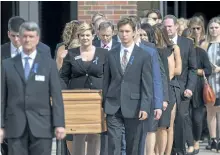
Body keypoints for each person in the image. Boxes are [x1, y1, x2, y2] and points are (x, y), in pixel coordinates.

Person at [0, 21, 65, 155]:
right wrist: (0, 125)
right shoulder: (7, 65)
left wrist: (59, 124)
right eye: (24, 36)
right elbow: (1, 98)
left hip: (42, 126)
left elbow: (57, 96)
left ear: (37, 39)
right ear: (20, 38)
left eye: (31, 36)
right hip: (15, 126)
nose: (27, 40)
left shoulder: (49, 65)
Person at [103, 17, 153, 155]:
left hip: (135, 106)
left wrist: (145, 106)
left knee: (133, 145)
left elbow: (147, 84)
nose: (124, 35)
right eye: (121, 31)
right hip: (113, 105)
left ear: (134, 32)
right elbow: (106, 80)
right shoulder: (111, 54)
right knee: (114, 144)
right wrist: (103, 105)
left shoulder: (144, 55)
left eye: (127, 31)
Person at [60, 22, 108, 155]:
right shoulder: (71, 53)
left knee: (94, 135)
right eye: (82, 35)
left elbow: (110, 77)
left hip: (97, 100)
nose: (85, 38)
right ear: (78, 36)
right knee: (78, 134)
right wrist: (62, 95)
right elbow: (63, 77)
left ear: (93, 36)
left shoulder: (104, 53)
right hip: (76, 100)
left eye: (88, 35)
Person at [163, 15, 197, 155]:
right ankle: (168, 151)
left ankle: (180, 150)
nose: (167, 29)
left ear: (176, 26)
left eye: (170, 26)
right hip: (167, 87)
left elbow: (192, 68)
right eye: (165, 27)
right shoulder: (160, 43)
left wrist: (190, 87)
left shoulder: (187, 43)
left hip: (183, 89)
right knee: (167, 122)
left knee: (181, 118)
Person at [153, 23, 182, 155]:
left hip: (167, 89)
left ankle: (166, 152)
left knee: (165, 126)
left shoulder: (170, 50)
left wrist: (161, 90)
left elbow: (173, 72)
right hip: (160, 88)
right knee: (159, 127)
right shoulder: (152, 49)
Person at [201, 17, 220, 153]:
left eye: (216, 27)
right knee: (210, 111)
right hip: (209, 82)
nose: (214, 30)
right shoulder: (204, 44)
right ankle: (213, 139)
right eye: (212, 27)